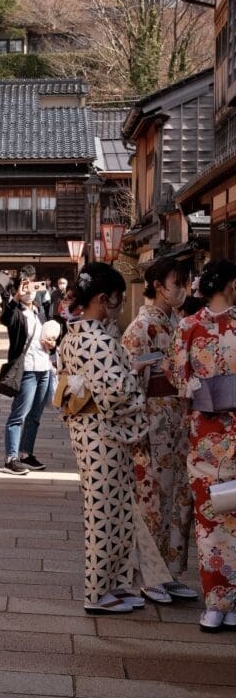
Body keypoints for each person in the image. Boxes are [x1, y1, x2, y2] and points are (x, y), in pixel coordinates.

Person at [56, 263, 149, 615]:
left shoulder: (75, 334)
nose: (119, 304)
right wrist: (134, 379)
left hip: (86, 429)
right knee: (104, 512)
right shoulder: (97, 339)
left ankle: (117, 583)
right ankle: (97, 592)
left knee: (115, 509)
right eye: (117, 298)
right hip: (102, 434)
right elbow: (117, 394)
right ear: (101, 298)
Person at [122, 256, 197, 605]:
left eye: (184, 282)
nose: (181, 289)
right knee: (152, 501)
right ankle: (150, 576)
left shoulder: (179, 324)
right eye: (176, 282)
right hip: (152, 424)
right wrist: (137, 435)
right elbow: (129, 385)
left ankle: (169, 573)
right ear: (157, 286)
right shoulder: (140, 329)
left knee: (178, 499)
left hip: (178, 424)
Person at [169, 259, 236, 632]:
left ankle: (216, 606)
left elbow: (180, 379)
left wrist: (197, 392)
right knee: (221, 521)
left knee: (210, 524)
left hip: (205, 434)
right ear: (230, 285)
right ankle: (225, 602)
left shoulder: (188, 327)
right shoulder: (191, 326)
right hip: (223, 434)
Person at [1, 276, 51, 475]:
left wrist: (51, 344)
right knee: (18, 415)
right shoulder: (16, 311)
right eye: (25, 288)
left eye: (32, 287)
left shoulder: (39, 310)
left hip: (44, 367)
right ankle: (10, 458)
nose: (29, 291)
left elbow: (47, 333)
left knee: (35, 416)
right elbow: (6, 319)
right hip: (27, 369)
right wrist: (15, 298)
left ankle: (26, 453)